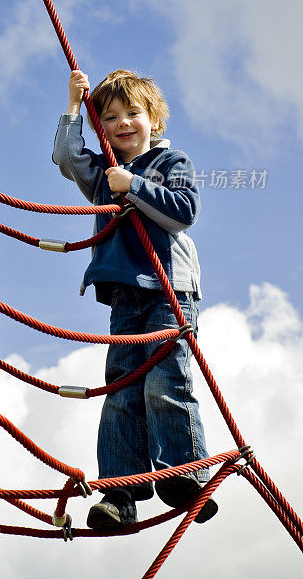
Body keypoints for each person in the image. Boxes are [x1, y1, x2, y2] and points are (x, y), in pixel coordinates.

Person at [52, 68, 217, 529]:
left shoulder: (170, 162)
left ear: (155, 121)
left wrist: (135, 186)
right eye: (110, 118)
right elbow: (66, 158)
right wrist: (73, 106)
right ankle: (120, 493)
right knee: (121, 390)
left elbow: (183, 212)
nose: (123, 123)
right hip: (125, 295)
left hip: (169, 289)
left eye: (133, 113)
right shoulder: (105, 173)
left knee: (165, 380)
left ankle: (183, 473)